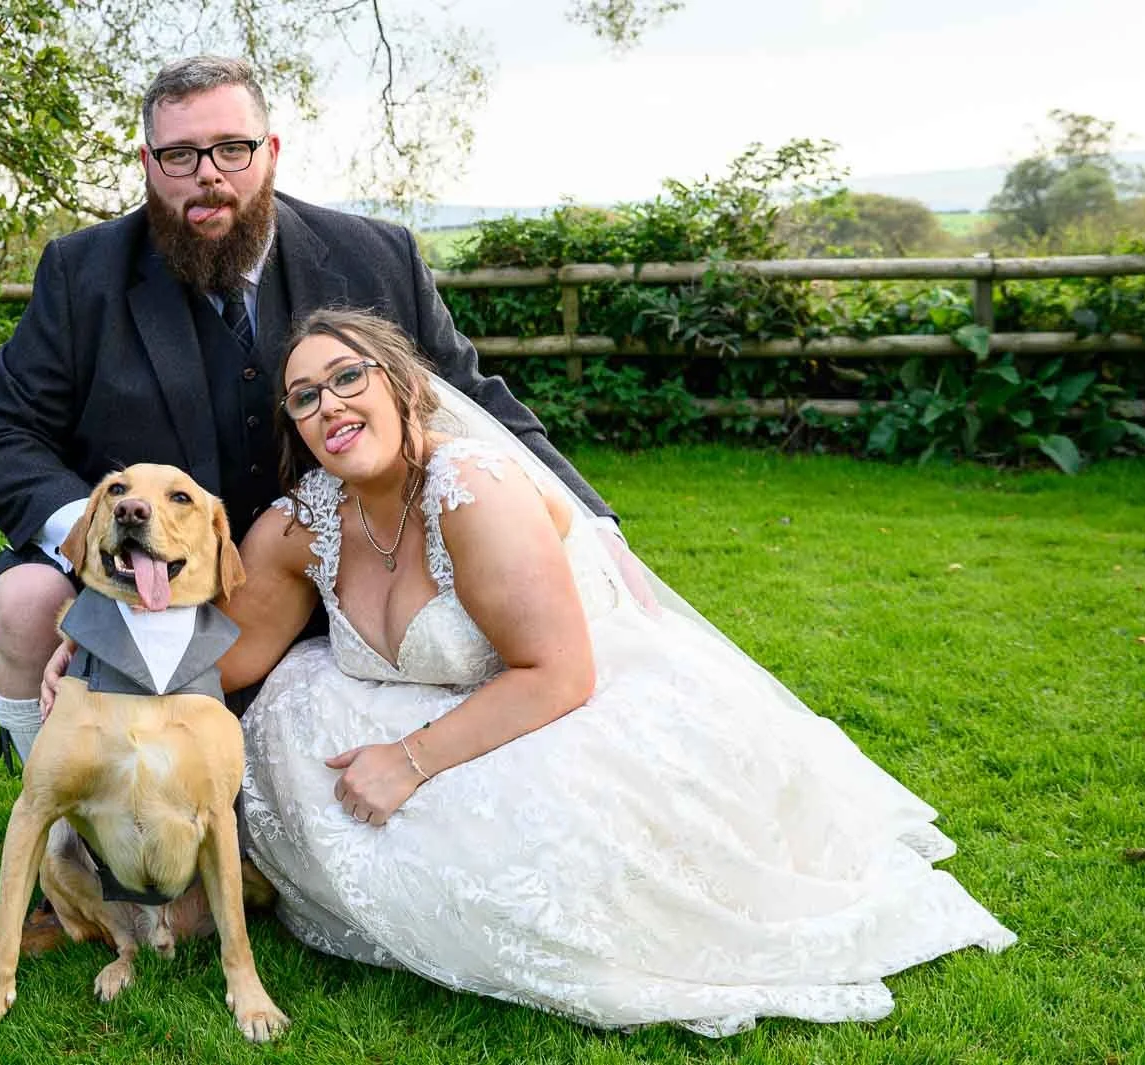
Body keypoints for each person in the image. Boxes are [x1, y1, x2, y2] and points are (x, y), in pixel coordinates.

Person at [208, 308, 1016, 1035]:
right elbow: (226, 662)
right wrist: (102, 641)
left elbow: (559, 674)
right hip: (432, 696)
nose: (330, 405)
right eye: (305, 396)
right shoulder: (302, 523)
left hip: (566, 690)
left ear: (406, 385)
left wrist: (407, 760)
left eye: (349, 376)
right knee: (289, 710)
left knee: (565, 838)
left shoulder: (472, 489)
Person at [0, 55, 627, 761]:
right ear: (148, 163)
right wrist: (104, 547)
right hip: (148, 571)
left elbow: (471, 394)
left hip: (322, 574)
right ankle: (60, 807)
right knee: (26, 596)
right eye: (180, 155)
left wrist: (595, 520)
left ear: (270, 152)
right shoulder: (81, 273)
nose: (208, 174)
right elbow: (0, 435)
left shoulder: (377, 256)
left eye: (231, 149)